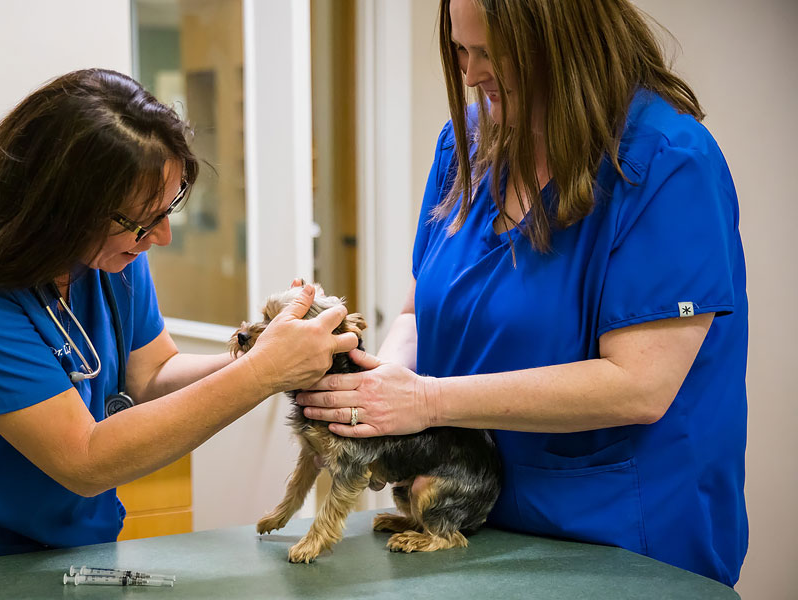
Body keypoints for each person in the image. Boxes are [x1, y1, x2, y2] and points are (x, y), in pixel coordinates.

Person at [296, 0, 747, 587]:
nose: (470, 73)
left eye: (491, 54)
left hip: (618, 540)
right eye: (460, 49)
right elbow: (418, 309)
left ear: (566, 41)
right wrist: (377, 386)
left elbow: (639, 385)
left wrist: (426, 403)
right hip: (468, 526)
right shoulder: (468, 144)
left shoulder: (665, 163)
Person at [0, 68, 358, 573]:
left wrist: (269, 350)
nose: (161, 238)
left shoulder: (111, 258)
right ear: (63, 208)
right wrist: (264, 371)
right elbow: (85, 458)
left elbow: (153, 375)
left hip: (70, 547)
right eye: (142, 221)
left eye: (169, 209)